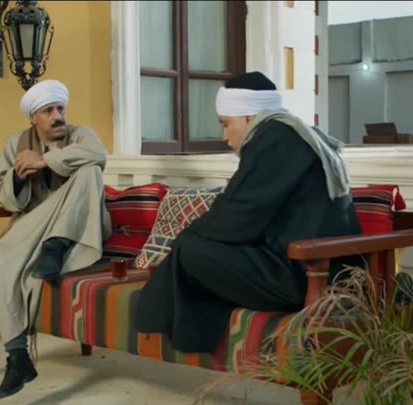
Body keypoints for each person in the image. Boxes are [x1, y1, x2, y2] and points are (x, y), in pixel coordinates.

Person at [134, 71, 364, 354]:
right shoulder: (290, 134)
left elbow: (237, 214)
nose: (224, 136)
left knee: (190, 249)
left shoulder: (275, 138)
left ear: (248, 116)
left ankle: (153, 323)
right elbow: (248, 211)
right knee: (192, 245)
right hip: (312, 266)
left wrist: (188, 236)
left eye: (225, 124)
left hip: (307, 274)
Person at [0, 79, 112, 399]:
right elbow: (4, 197)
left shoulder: (81, 135)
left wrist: (43, 161)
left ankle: (56, 245)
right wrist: (17, 178)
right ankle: (17, 358)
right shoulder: (15, 144)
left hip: (80, 227)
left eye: (60, 109)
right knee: (1, 269)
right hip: (33, 222)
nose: (58, 116)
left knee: (91, 170)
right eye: (48, 111)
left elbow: (98, 154)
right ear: (33, 117)